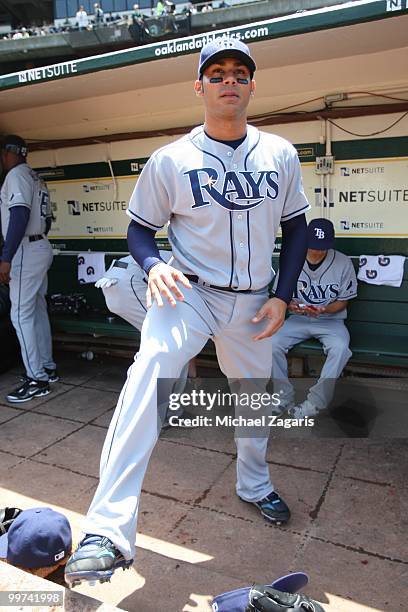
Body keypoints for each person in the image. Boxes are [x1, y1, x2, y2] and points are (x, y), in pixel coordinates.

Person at [65, 38, 310, 587]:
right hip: (189, 293)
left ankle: (253, 484)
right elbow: (137, 228)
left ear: (252, 85)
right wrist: (152, 266)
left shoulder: (280, 153)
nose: (229, 80)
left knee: (252, 397)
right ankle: (107, 529)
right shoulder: (171, 158)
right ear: (199, 85)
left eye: (240, 72)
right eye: (217, 72)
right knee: (149, 375)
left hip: (252, 298)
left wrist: (283, 294)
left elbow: (295, 227)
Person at [271, 218, 358, 418]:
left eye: (322, 247)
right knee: (271, 343)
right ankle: (283, 397)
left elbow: (343, 302)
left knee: (340, 349)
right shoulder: (292, 258)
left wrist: (325, 309)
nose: (318, 251)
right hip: (297, 319)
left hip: (331, 321)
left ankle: (315, 403)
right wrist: (289, 304)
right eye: (313, 246)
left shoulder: (343, 262)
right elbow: (280, 297)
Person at [94, 250, 195, 420]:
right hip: (129, 281)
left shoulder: (186, 254)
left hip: (118, 277)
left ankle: (149, 408)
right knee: (171, 345)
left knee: (169, 344)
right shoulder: (196, 264)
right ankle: (165, 413)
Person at [0, 135, 58, 403]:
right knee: (36, 310)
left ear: (8, 153)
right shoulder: (34, 176)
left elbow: (19, 215)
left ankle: (37, 379)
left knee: (20, 315)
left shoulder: (16, 175)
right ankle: (46, 366)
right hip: (40, 245)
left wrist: (6, 256)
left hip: (25, 248)